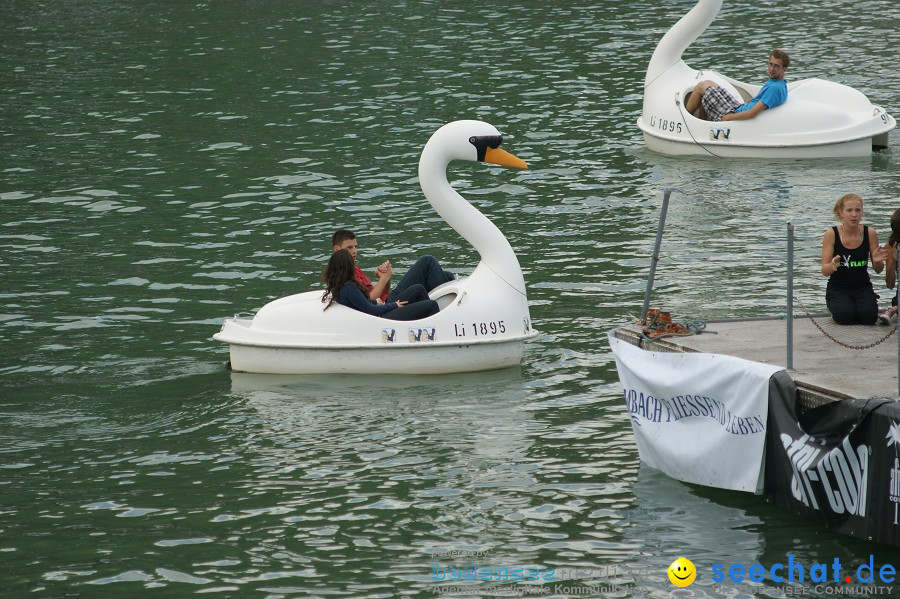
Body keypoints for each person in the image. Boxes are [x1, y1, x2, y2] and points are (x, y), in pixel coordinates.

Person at [330, 229, 455, 303]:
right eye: (349, 248)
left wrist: (384, 279)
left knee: (447, 276)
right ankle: (452, 308)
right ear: (337, 249)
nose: (354, 251)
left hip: (386, 301)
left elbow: (381, 294)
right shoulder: (342, 273)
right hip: (387, 307)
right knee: (427, 262)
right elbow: (368, 301)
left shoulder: (355, 268)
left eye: (356, 247)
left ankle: (451, 302)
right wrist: (384, 279)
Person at [322, 249, 439, 321]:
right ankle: (435, 331)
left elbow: (360, 302)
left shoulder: (340, 286)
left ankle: (421, 324)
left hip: (379, 313)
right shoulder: (349, 287)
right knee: (432, 305)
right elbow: (370, 310)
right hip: (381, 319)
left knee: (418, 289)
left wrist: (375, 302)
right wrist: (394, 305)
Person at [821, 193, 884, 325]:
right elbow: (824, 271)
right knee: (845, 317)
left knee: (869, 318)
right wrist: (832, 266)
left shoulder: (870, 233)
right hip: (839, 287)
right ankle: (837, 308)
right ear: (841, 212)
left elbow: (878, 270)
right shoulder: (831, 234)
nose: (854, 215)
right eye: (849, 210)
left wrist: (878, 262)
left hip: (862, 286)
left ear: (862, 212)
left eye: (857, 210)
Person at [685, 49, 790, 122]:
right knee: (709, 83)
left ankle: (685, 120)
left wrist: (729, 117)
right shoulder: (780, 84)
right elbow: (759, 101)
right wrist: (747, 102)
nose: (771, 69)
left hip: (733, 111)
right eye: (770, 64)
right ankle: (703, 123)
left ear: (784, 69)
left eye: (776, 66)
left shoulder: (774, 89)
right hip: (738, 106)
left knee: (701, 87)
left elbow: (752, 113)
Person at [878, 207, 900, 324]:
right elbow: (890, 284)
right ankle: (893, 309)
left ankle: (893, 309)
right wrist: (893, 261)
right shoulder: (892, 246)